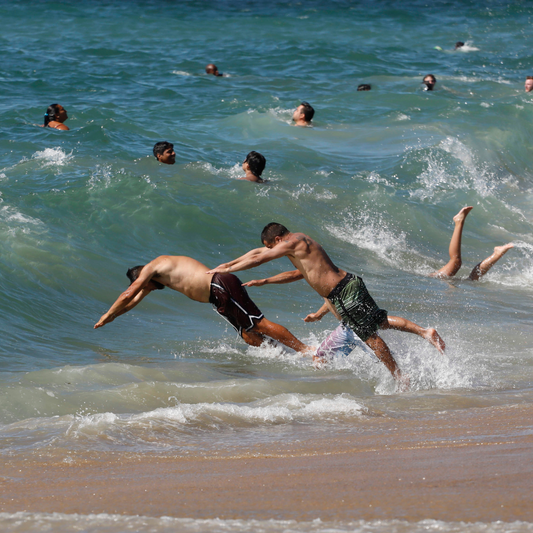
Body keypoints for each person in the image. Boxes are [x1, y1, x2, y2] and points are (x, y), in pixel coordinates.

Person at [207, 223, 445, 385]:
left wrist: (228, 270)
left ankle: (399, 376)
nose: (272, 251)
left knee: (370, 336)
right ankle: (425, 332)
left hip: (343, 292)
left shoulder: (293, 242)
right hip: (347, 287)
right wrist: (233, 269)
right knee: (380, 321)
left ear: (278, 239)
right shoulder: (299, 245)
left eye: (273, 246)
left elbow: (259, 258)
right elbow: (276, 263)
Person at [94, 255, 311, 354]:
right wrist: (114, 317)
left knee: (258, 324)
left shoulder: (154, 266)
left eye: (146, 287)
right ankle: (284, 353)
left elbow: (128, 294)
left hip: (220, 285)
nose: (148, 291)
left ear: (142, 277)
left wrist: (106, 314)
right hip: (216, 296)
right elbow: (132, 301)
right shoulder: (157, 278)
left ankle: (307, 351)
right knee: (247, 335)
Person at [430, 206, 514, 281]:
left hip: (430, 280)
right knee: (472, 280)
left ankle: (459, 221)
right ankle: (496, 255)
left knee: (455, 262)